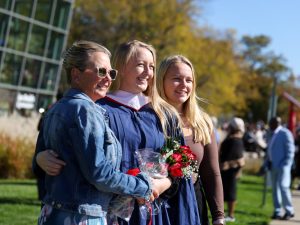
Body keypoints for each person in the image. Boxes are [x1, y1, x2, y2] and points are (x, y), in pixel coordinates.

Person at [34, 40, 201, 225]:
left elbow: (184, 163)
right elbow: (63, 149)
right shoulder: (98, 107)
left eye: (152, 67)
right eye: (140, 65)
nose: (148, 72)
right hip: (111, 210)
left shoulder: (164, 113)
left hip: (156, 208)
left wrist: (165, 183)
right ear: (120, 67)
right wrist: (40, 157)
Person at [156, 55, 225, 225]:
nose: (184, 85)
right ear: (161, 80)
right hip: (158, 204)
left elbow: (211, 172)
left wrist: (218, 217)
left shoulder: (202, 122)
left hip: (193, 203)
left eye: (189, 80)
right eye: (176, 79)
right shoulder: (148, 117)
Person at [267, 117, 295, 220]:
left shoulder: (285, 133)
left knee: (283, 187)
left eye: (270, 123)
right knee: (275, 189)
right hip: (273, 165)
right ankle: (277, 211)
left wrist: (285, 164)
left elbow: (290, 151)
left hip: (283, 166)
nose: (269, 125)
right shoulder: (272, 133)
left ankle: (289, 211)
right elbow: (270, 149)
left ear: (276, 123)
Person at [219, 117, 245, 223]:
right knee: (225, 192)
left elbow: (238, 159)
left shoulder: (236, 140)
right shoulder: (233, 138)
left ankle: (231, 215)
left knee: (231, 193)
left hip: (230, 171)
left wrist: (226, 165)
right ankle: (225, 213)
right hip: (226, 171)